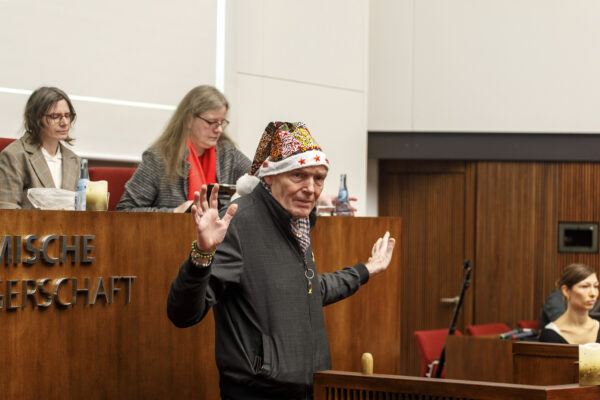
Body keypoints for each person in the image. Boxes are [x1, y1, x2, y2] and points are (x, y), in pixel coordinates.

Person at [167, 121, 396, 400]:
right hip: (257, 392)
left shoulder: (298, 223)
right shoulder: (239, 222)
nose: (311, 188)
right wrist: (202, 255)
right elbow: (183, 314)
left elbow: (309, 290)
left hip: (309, 389)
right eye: (298, 175)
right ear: (270, 177)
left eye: (319, 178)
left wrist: (366, 270)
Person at [116, 85, 251, 212]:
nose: (219, 130)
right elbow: (125, 210)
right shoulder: (159, 157)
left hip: (218, 236)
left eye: (222, 123)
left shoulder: (227, 153)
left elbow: (259, 181)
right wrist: (175, 212)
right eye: (211, 122)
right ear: (188, 120)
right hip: (173, 235)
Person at [0, 86, 80, 209]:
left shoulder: (74, 160)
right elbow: (7, 210)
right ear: (37, 119)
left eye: (67, 115)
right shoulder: (14, 156)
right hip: (28, 227)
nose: (64, 122)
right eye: (55, 116)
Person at [539, 263, 600, 344]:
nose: (593, 293)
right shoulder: (551, 334)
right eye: (585, 286)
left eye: (596, 286)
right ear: (566, 291)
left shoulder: (597, 327)